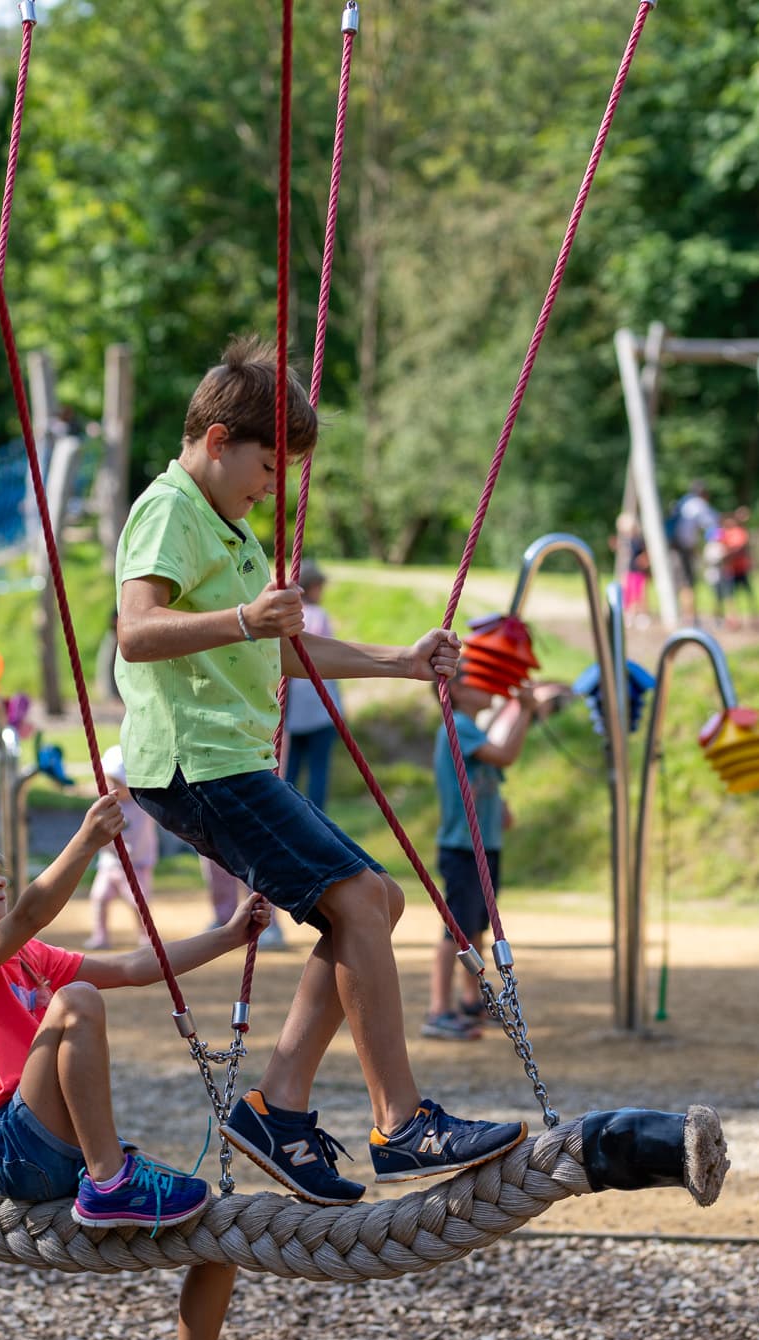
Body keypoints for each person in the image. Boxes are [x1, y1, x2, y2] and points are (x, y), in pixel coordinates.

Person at [114, 335, 527, 1207]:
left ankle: (280, 1105)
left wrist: (401, 662)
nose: (272, 487)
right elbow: (136, 631)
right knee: (353, 897)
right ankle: (401, 1120)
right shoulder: (169, 509)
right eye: (268, 465)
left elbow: (284, 648)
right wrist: (239, 617)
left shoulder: (225, 524)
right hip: (196, 763)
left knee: (378, 900)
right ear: (219, 439)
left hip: (228, 761)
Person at [0, 801, 270, 1340]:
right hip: (10, 1146)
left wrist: (228, 936)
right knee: (77, 1002)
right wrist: (86, 841)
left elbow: (134, 968)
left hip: (63, 1151)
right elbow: (29, 915)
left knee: (214, 1233)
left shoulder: (29, 959)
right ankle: (112, 1180)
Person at [423, 666, 565, 1041]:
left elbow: (491, 771)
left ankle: (473, 1000)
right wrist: (526, 710)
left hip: (485, 845)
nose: (488, 685)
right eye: (476, 678)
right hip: (462, 846)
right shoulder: (456, 725)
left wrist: (498, 806)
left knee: (477, 926)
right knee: (456, 930)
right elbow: (503, 756)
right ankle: (438, 1009)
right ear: (454, 689)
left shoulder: (473, 729)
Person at [83, 745, 159, 950]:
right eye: (110, 781)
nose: (112, 787)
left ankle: (145, 936)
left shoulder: (142, 806)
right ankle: (101, 935)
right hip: (109, 864)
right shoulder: (107, 805)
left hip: (136, 865)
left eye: (118, 782)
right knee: (99, 898)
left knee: (138, 903)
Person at [281, 559, 341, 811]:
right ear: (314, 587)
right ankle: (317, 819)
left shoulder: (287, 618)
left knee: (289, 769)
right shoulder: (319, 616)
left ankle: (288, 814)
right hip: (320, 709)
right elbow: (331, 658)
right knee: (319, 769)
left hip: (292, 712)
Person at [671, 482, 719, 625]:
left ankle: (685, 615)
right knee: (688, 583)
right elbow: (712, 524)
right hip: (684, 549)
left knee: (681, 583)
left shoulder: (683, 503)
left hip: (675, 547)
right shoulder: (698, 505)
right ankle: (690, 618)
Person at [714, 506, 759, 630]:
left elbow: (740, 548)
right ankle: (733, 620)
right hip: (730, 570)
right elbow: (718, 547)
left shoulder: (739, 532)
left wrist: (729, 554)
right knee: (730, 597)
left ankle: (754, 618)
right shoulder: (723, 534)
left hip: (741, 568)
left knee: (748, 594)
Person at [613, 512, 651, 627]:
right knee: (628, 593)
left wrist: (643, 560)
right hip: (629, 571)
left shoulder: (638, 540)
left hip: (638, 571)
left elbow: (646, 553)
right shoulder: (625, 540)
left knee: (639, 593)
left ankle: (641, 614)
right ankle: (629, 614)